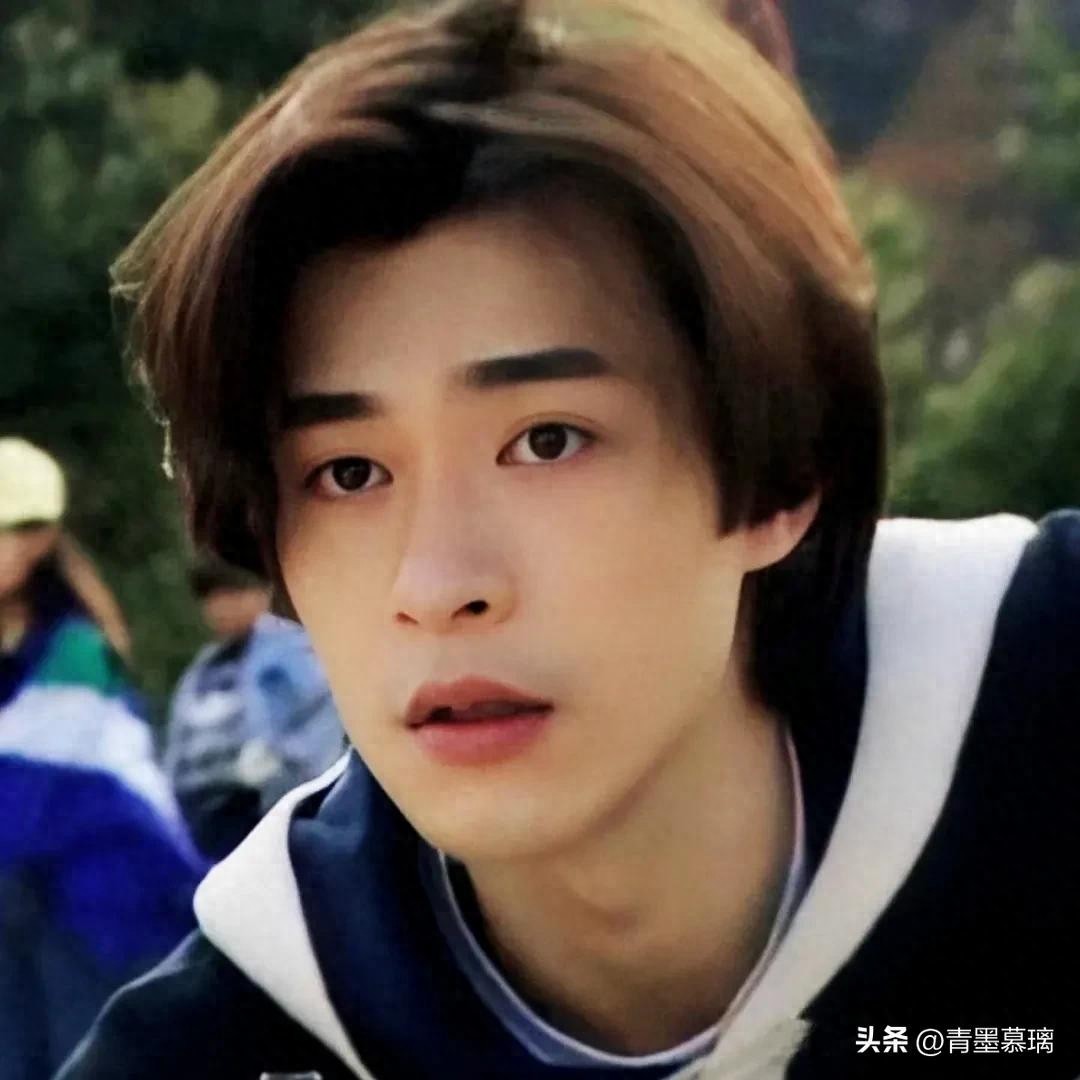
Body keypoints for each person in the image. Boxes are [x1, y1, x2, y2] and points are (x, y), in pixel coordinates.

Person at [60, 0, 1080, 1077]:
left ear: (782, 471)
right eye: (349, 473)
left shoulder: (1039, 695)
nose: (438, 584)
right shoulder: (230, 1044)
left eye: (547, 441)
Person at [0, 437, 205, 1080]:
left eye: (11, 532)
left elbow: (52, 801)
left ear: (39, 541)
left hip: (100, 908)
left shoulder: (76, 652)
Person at [164, 556, 345, 860]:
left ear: (262, 591)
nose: (221, 607)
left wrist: (275, 769)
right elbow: (177, 752)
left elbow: (320, 728)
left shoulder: (294, 650)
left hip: (267, 807)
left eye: (231, 592)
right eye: (210, 597)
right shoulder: (202, 670)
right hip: (204, 816)